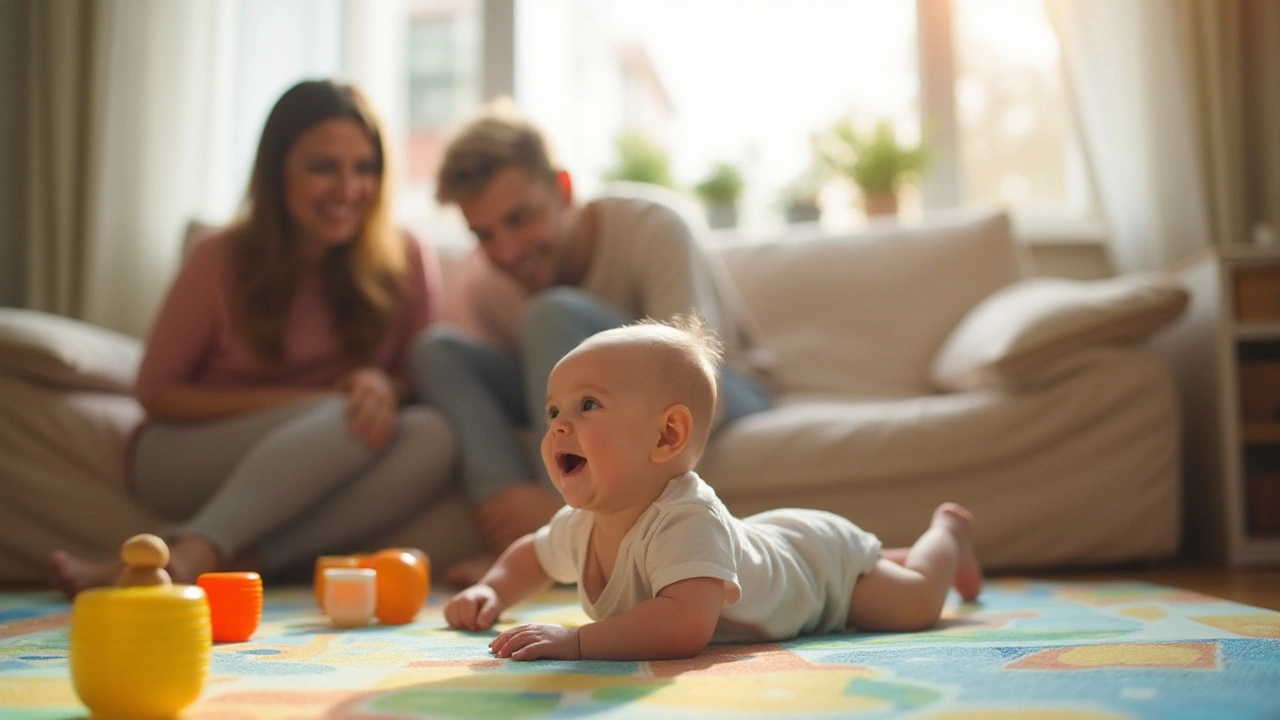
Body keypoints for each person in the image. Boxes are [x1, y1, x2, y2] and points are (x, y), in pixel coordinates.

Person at [49, 79, 455, 598]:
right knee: (346, 415)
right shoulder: (219, 256)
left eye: (365, 167)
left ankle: (235, 560)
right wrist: (313, 402)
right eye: (323, 167)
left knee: (434, 434)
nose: (348, 189)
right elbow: (156, 392)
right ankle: (190, 551)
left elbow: (416, 377)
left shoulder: (407, 256)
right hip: (185, 455)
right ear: (277, 171)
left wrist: (382, 383)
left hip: (337, 441)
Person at [444, 317, 983, 661]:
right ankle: (894, 553)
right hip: (767, 541)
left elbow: (683, 625)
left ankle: (945, 537)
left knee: (911, 602)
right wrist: (494, 589)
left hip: (820, 570)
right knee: (871, 570)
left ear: (667, 435)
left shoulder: (684, 519)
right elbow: (531, 557)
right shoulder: (583, 524)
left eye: (588, 405)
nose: (559, 426)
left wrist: (577, 641)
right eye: (553, 411)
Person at [414, 101, 773, 584]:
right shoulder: (489, 280)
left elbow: (695, 379)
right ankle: (520, 541)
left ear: (563, 190)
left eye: (520, 218)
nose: (506, 251)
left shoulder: (653, 227)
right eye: (484, 234)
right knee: (436, 351)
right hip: (586, 400)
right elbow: (511, 392)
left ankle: (569, 529)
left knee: (552, 312)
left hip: (724, 386)